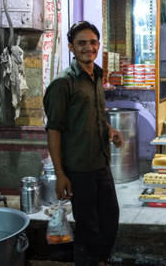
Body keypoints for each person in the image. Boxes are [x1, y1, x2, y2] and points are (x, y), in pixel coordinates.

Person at [43, 21, 123, 266]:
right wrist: (60, 174)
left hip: (100, 162)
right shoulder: (63, 83)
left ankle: (100, 261)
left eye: (93, 42)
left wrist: (110, 130)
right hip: (79, 168)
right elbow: (54, 129)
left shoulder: (97, 75)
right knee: (89, 230)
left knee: (110, 218)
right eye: (81, 43)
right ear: (71, 47)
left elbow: (92, 114)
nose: (88, 47)